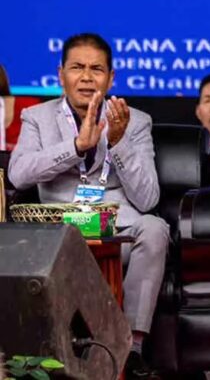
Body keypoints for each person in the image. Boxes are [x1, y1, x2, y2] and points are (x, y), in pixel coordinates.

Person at [8, 34, 168, 380]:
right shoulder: (37, 117)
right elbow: (18, 175)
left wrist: (120, 143)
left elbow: (148, 199)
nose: (86, 77)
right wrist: (77, 146)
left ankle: (132, 347)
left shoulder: (136, 121)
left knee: (155, 227)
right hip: (60, 238)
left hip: (116, 233)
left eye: (96, 69)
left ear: (110, 78)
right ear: (60, 74)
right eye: (77, 67)